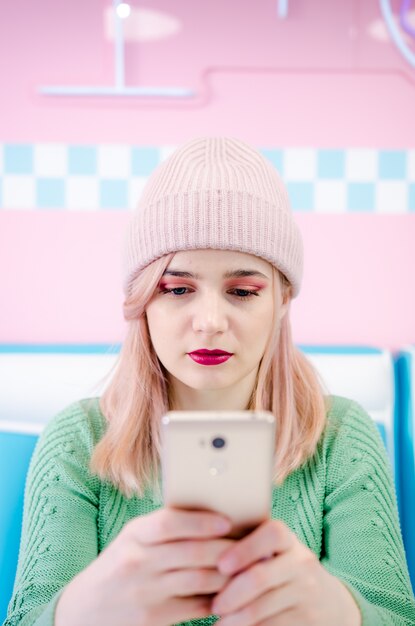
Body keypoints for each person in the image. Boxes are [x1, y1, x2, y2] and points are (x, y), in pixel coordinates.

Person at [3, 137, 415, 626]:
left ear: (283, 300)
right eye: (177, 289)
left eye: (242, 291)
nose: (210, 321)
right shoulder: (76, 440)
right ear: (142, 301)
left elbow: (395, 615)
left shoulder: (343, 435)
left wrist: (345, 615)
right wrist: (75, 614)